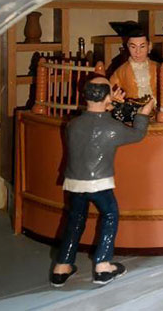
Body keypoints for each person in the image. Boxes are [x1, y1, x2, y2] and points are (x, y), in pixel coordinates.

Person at [50, 77, 154, 287]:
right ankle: (103, 265)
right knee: (110, 216)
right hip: (99, 183)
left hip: (75, 181)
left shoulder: (72, 125)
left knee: (75, 220)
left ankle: (62, 266)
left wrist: (109, 103)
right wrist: (143, 113)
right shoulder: (112, 128)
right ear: (106, 97)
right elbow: (137, 134)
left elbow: (93, 122)